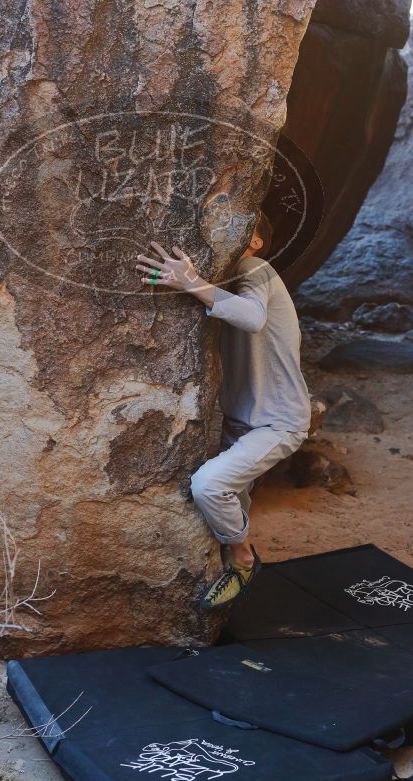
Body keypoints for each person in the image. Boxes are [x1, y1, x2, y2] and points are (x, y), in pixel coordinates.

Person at [135, 210, 311, 610]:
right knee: (233, 500)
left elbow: (251, 318)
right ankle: (229, 589)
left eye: (240, 226)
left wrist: (189, 281)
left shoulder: (256, 266)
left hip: (278, 422)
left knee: (210, 485)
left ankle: (245, 560)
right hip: (241, 419)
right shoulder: (232, 278)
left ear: (255, 242)